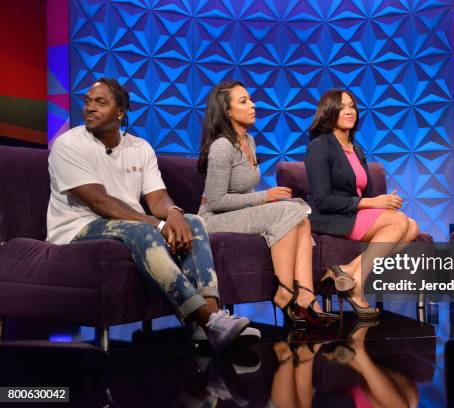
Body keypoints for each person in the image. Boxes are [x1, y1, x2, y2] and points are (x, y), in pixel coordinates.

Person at [46, 78, 258, 351]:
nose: (90, 108)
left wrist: (173, 213)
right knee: (143, 230)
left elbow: (157, 197)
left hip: (127, 223)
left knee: (194, 221)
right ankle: (208, 320)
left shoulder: (140, 147)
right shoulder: (68, 144)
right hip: (77, 227)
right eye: (87, 102)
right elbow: (100, 202)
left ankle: (211, 322)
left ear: (121, 112)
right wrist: (158, 224)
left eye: (101, 102)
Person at [196, 81, 338, 327]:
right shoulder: (221, 146)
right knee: (287, 209)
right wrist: (265, 197)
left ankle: (305, 295)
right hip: (212, 220)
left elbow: (243, 192)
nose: (252, 105)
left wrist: (263, 202)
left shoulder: (248, 140)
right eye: (243, 101)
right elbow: (216, 201)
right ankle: (284, 292)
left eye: (250, 99)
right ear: (227, 111)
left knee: (299, 213)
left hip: (238, 213)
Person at [305, 89, 419, 319]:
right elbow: (322, 200)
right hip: (330, 215)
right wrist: (372, 202)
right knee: (399, 221)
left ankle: (347, 269)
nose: (349, 111)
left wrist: (384, 203)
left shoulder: (355, 149)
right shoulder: (320, 146)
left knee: (412, 226)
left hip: (353, 213)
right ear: (329, 113)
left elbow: (363, 193)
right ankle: (357, 284)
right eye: (342, 107)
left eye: (352, 106)